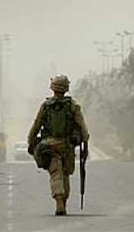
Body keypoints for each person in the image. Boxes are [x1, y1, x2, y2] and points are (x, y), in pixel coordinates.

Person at [27, 74, 89, 216]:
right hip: (67, 146)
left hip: (50, 145)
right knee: (65, 175)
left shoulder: (46, 106)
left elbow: (36, 125)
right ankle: (62, 203)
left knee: (56, 173)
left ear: (52, 87)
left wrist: (30, 141)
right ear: (66, 88)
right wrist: (85, 145)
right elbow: (82, 127)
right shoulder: (73, 106)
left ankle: (59, 202)